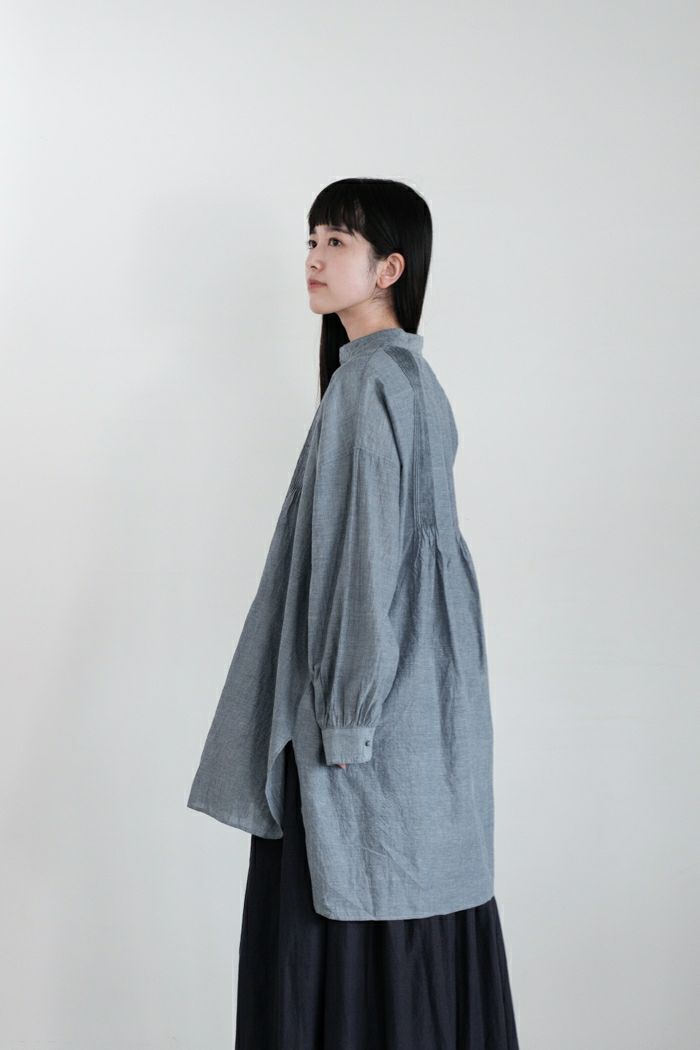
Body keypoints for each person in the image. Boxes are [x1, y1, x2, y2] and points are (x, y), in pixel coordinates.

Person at [187, 177, 521, 1048]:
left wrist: (344, 721)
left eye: (337, 241)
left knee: (340, 897)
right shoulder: (411, 380)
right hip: (422, 716)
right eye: (312, 238)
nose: (313, 257)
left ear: (389, 269)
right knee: (412, 899)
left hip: (363, 725)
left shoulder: (368, 387)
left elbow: (362, 570)